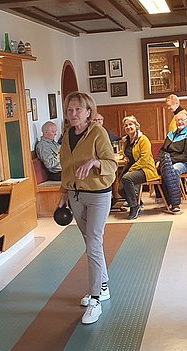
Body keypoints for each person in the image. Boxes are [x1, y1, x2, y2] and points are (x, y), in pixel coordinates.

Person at [57, 91, 117, 325]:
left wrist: (94, 162)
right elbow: (66, 166)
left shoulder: (98, 133)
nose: (73, 113)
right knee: (91, 244)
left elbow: (112, 164)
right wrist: (64, 191)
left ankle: (95, 300)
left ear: (88, 111)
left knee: (93, 243)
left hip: (98, 195)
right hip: (76, 195)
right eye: (69, 110)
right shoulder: (67, 135)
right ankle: (103, 287)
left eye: (78, 109)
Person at [118, 115, 158, 220]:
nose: (128, 127)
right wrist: (124, 156)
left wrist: (130, 170)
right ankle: (138, 202)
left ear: (136, 126)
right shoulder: (125, 140)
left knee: (127, 178)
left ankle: (134, 206)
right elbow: (124, 151)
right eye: (126, 125)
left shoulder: (143, 139)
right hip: (132, 168)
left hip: (145, 168)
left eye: (130, 124)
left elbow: (144, 159)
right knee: (120, 189)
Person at [157, 110, 187, 212]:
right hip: (167, 161)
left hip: (182, 163)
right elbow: (163, 150)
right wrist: (158, 160)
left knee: (173, 169)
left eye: (182, 120)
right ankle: (167, 199)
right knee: (158, 169)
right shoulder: (170, 134)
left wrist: (169, 161)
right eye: (178, 120)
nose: (180, 122)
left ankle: (175, 203)